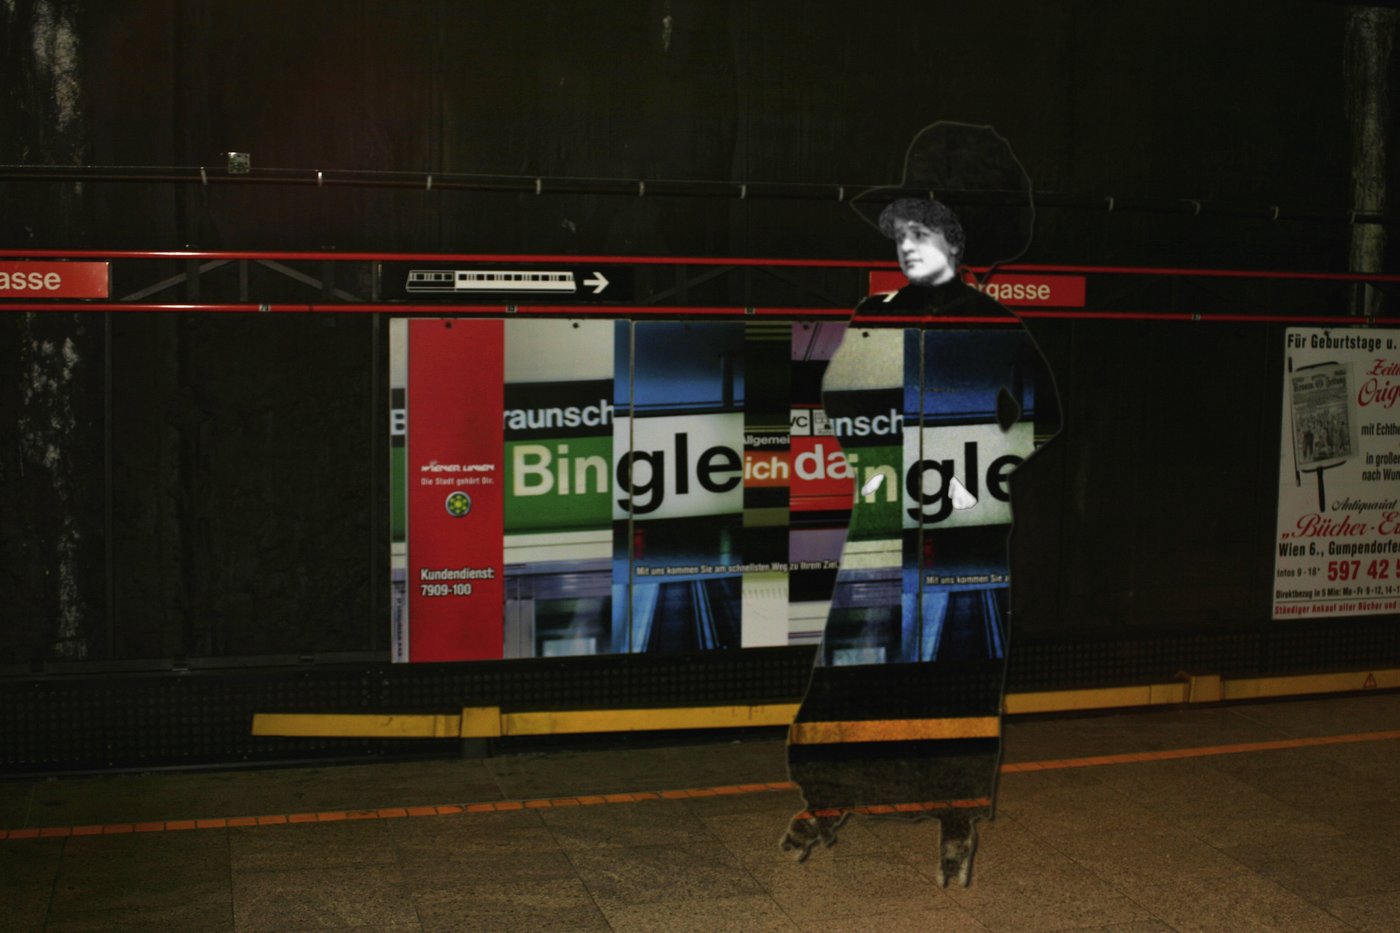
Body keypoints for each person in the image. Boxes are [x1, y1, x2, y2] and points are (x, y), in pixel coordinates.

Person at [783, 198, 1061, 886]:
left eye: (922, 233)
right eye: (901, 235)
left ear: (954, 244)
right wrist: (880, 460)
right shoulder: (875, 316)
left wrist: (983, 472)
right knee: (856, 656)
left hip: (967, 528)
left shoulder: (998, 325)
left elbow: (1045, 416)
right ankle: (831, 794)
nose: (907, 245)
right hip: (886, 519)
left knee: (959, 661)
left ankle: (957, 809)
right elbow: (838, 396)